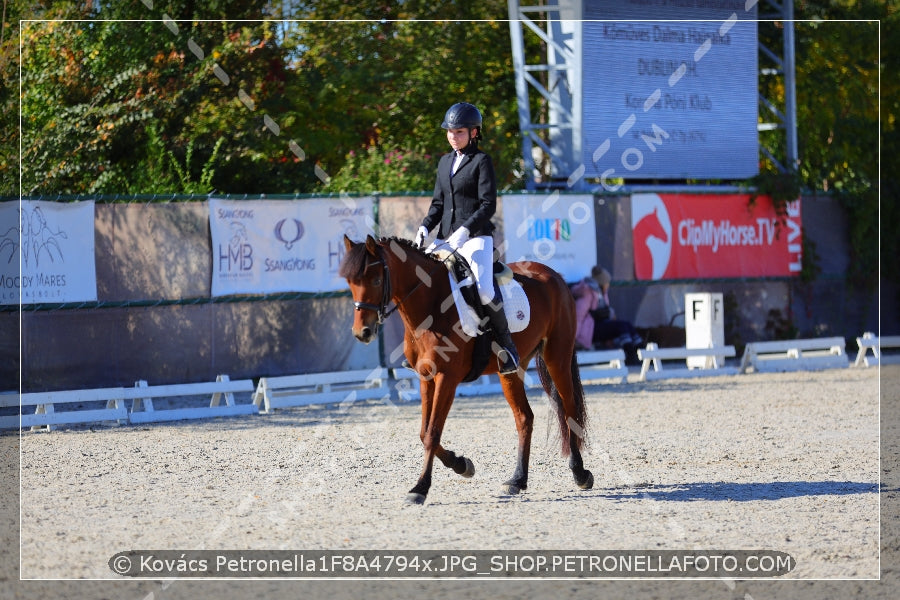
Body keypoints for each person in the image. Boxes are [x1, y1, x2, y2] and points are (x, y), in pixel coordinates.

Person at [413, 102, 519, 374]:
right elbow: (438, 203)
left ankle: (507, 346)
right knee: (425, 283)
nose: (452, 136)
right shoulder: (444, 161)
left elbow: (488, 205)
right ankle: (420, 346)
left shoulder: (481, 161)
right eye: (449, 131)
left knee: (484, 289)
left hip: (475, 238)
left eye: (459, 132)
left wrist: (465, 230)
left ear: (474, 133)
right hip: (445, 238)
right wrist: (425, 227)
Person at [572, 266, 643, 356]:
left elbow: (605, 311)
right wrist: (574, 340)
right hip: (587, 332)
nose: (608, 284)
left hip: (597, 326)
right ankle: (630, 356)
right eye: (606, 282)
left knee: (627, 325)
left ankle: (643, 352)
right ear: (601, 283)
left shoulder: (601, 293)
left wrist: (610, 313)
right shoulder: (587, 293)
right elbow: (578, 317)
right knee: (621, 327)